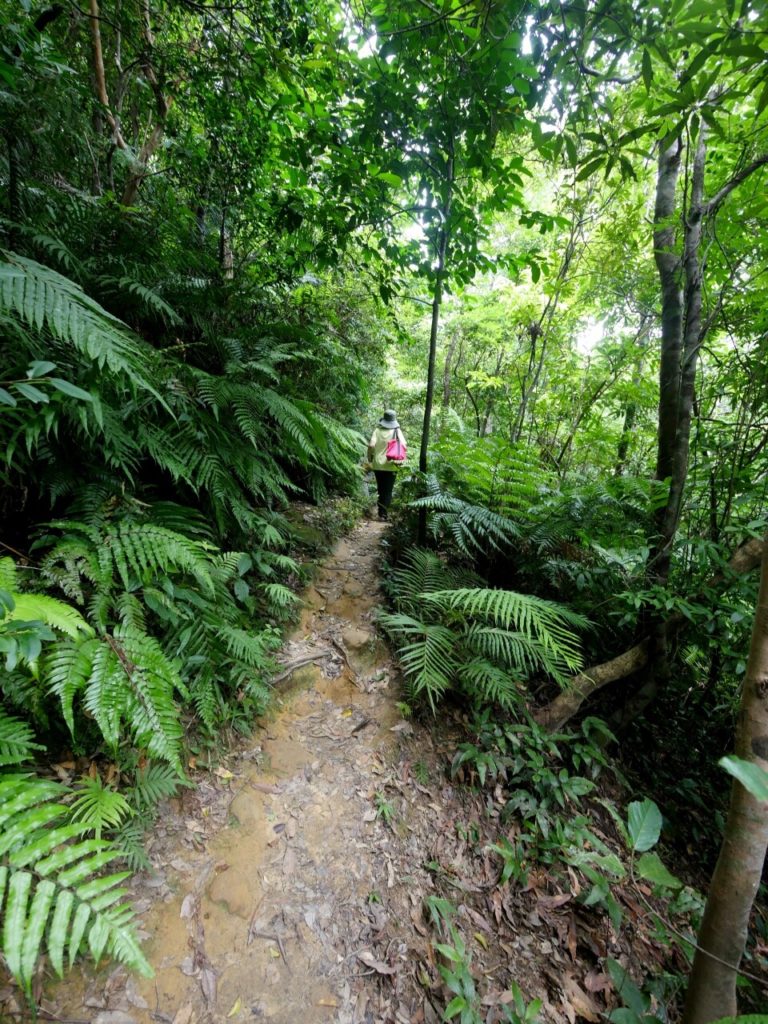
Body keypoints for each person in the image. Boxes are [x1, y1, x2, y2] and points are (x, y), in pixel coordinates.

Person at [367, 409, 406, 520]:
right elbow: (404, 444)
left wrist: (370, 457)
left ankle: (380, 512)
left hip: (378, 465)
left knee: (380, 489)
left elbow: (371, 445)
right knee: (388, 490)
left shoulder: (377, 430)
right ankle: (384, 514)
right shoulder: (397, 431)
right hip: (391, 464)